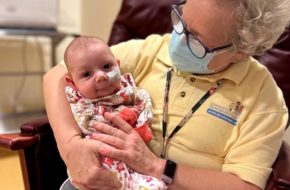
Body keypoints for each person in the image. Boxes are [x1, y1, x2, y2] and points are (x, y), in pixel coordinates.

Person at [43, 0, 290, 189]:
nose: (179, 39)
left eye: (196, 41)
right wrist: (71, 146)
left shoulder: (263, 99)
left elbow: (244, 185)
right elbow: (56, 76)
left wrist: (155, 166)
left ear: (241, 51)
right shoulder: (153, 51)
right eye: (181, 20)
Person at [61, 36, 166, 190]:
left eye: (106, 66)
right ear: (73, 82)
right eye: (87, 74)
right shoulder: (80, 100)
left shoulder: (127, 88)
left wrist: (139, 114)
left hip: (135, 159)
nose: (101, 77)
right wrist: (122, 115)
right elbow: (88, 124)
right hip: (102, 161)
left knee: (157, 186)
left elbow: (143, 100)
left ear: (117, 65)